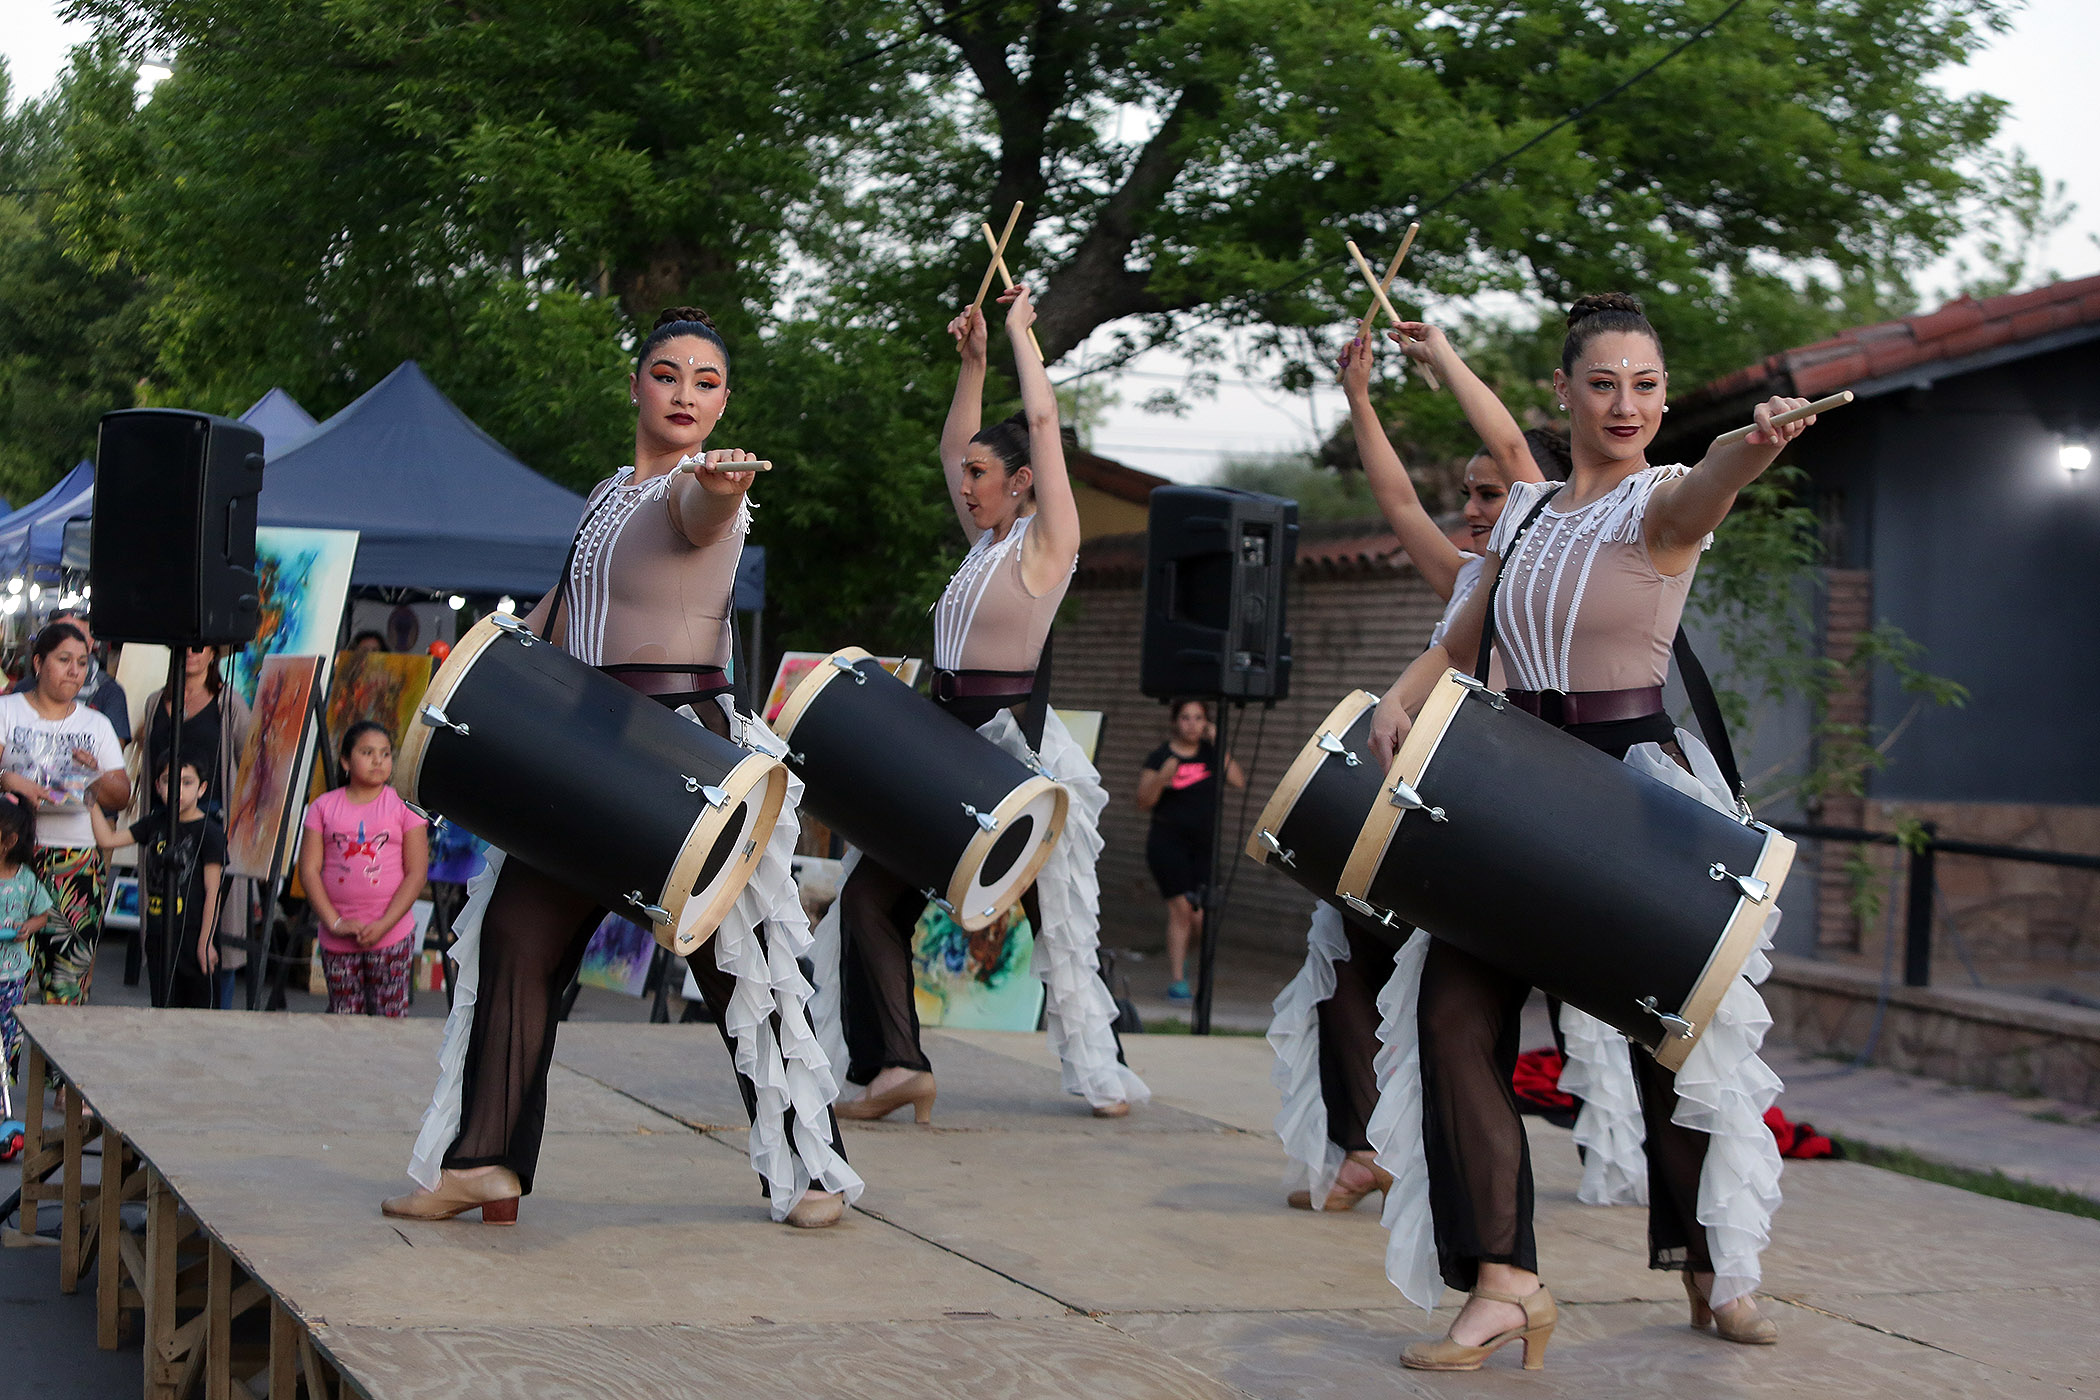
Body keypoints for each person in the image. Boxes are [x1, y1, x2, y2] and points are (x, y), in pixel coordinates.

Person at [1365, 293, 1810, 1369]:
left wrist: (1749, 447)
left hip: (1628, 790)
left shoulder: (1663, 503)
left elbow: (1710, 485)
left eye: (1645, 385)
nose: (1625, 403)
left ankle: (1713, 1264)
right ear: (1564, 392)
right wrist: (1402, 693)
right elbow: (1464, 633)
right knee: (1450, 1013)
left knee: (1671, 1039)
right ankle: (1503, 1281)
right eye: (1603, 383)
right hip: (1511, 782)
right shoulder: (1524, 512)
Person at [385, 306, 860, 1230]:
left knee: (743, 965)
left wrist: (721, 488)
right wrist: (490, 671)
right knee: (514, 936)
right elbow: (563, 609)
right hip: (586, 749)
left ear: (723, 404)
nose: (685, 394)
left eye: (706, 382)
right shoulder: (608, 494)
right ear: (636, 384)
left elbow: (701, 513)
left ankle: (813, 1175)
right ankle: (485, 1162)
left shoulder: (703, 491)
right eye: (668, 375)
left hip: (683, 750)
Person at [820, 284, 1147, 1124]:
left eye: (980, 474)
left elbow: (1042, 422)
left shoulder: (1045, 548)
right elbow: (948, 448)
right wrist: (972, 363)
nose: (964, 484)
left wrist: (1020, 335)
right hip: (943, 747)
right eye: (965, 474)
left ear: (1022, 481)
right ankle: (896, 1065)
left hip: (1009, 758)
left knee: (1056, 921)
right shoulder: (984, 549)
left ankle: (1100, 1073)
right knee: (868, 900)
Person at [0, 622, 130, 1005]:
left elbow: (121, 795)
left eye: (82, 662)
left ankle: (59, 1048)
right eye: (64, 660)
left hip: (76, 862)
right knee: (7, 981)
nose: (75, 670)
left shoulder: (96, 725)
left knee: (67, 985)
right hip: (11, 858)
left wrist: (95, 775)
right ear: (38, 663)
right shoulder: (7, 711)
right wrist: (7, 779)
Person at [139, 645, 254, 1005]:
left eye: (200, 647)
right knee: (167, 924)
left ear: (214, 654)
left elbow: (252, 763)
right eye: (184, 647)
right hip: (165, 829)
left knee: (213, 928)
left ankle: (215, 1019)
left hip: (211, 829)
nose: (191, 653)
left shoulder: (228, 703)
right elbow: (148, 763)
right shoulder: (156, 702)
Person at [298, 722, 428, 1017]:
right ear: (345, 761)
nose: (378, 761)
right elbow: (308, 871)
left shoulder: (404, 806)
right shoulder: (322, 807)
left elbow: (417, 873)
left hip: (392, 935)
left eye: (385, 753)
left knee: (389, 1019)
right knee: (344, 1019)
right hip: (337, 938)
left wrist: (384, 924)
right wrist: (335, 923)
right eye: (367, 753)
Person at [89, 759, 225, 1009]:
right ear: (158, 786)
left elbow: (213, 891)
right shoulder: (154, 822)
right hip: (158, 933)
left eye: (187, 783)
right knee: (162, 1005)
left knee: (197, 1012)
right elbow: (107, 839)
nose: (177, 790)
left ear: (202, 788)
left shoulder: (210, 831)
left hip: (192, 934)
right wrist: (91, 798)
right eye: (168, 782)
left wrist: (206, 942)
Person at [1135, 699, 1244, 1002]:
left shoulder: (1211, 754)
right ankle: (1177, 980)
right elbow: (1142, 802)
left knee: (1200, 918)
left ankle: (1180, 955)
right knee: (1182, 910)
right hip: (1167, 843)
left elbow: (1237, 781)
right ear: (1175, 722)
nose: (1192, 724)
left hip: (1204, 846)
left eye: (1198, 718)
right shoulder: (1160, 757)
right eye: (1185, 717)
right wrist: (1162, 778)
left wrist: (1219, 742)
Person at [10, 609, 130, 744]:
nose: (69, 643)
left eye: (77, 636)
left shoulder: (109, 693)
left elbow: (114, 750)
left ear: (90, 643)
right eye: (63, 659)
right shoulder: (20, 694)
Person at [0, 794, 54, 1072]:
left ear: (9, 842)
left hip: (10, 976)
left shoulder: (25, 879)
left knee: (5, 1037)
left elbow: (43, 914)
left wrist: (28, 928)